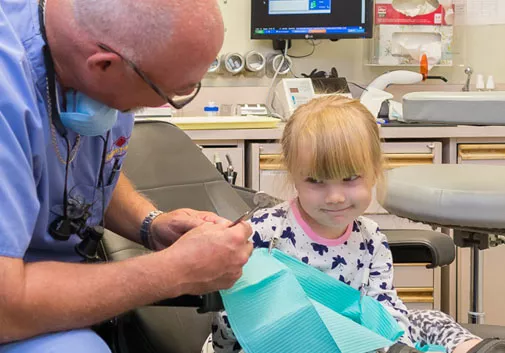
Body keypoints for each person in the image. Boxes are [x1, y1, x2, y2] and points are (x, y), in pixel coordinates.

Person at [0, 0, 253, 351]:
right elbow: (5, 308)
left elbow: (88, 167)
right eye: (173, 94)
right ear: (103, 65)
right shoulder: (8, 93)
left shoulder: (101, 71)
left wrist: (150, 225)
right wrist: (174, 272)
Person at [204, 96, 503, 353]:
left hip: (363, 334)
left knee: (428, 318)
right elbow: (233, 319)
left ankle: (470, 347)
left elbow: (383, 308)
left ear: (374, 171)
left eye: (350, 179)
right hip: (283, 339)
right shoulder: (264, 233)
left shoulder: (371, 238)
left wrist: (396, 339)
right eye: (316, 181)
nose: (335, 197)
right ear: (294, 174)